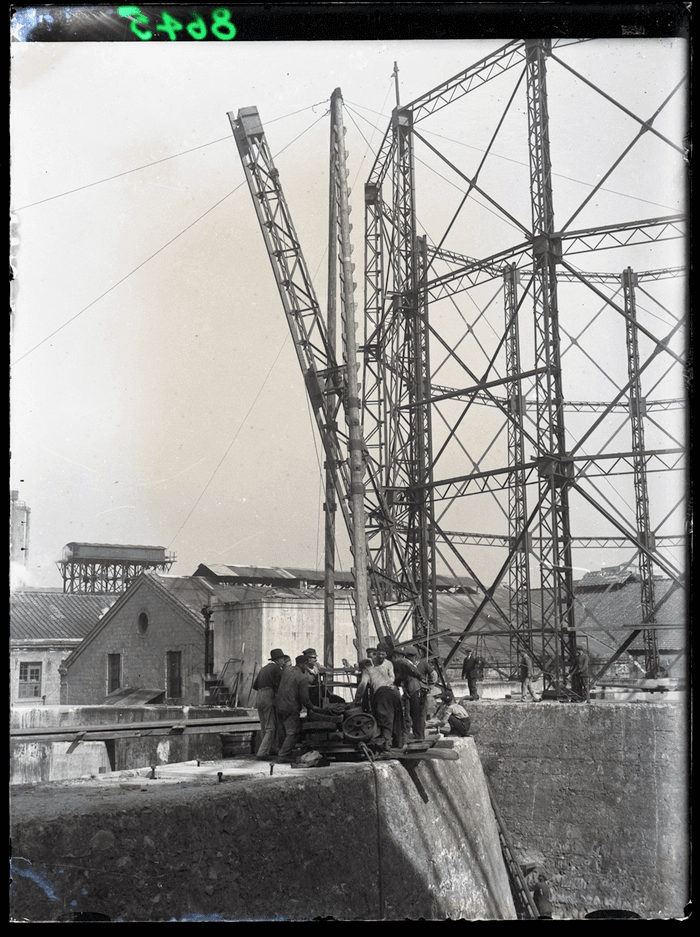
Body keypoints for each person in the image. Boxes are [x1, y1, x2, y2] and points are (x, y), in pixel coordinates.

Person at [274, 655, 330, 762]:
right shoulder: (302, 676)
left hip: (279, 705)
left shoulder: (286, 670)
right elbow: (305, 698)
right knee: (293, 732)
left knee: (282, 731)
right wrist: (314, 708)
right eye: (307, 665)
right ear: (304, 664)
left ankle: (280, 752)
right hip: (291, 707)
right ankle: (283, 756)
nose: (308, 667)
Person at [353, 658, 404, 750]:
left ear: (363, 667)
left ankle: (386, 744)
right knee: (397, 717)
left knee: (385, 717)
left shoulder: (366, 670)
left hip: (383, 693)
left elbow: (363, 684)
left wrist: (356, 699)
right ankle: (399, 743)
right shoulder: (378, 669)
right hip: (395, 691)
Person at [251, 648, 286, 759]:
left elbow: (255, 686)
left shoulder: (263, 669)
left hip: (259, 696)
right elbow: (282, 684)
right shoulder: (276, 669)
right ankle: (262, 753)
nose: (283, 661)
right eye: (282, 659)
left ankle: (269, 749)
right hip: (268, 695)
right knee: (271, 727)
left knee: (264, 726)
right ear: (278, 660)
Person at [392, 645, 430, 741]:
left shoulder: (402, 663)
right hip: (417, 688)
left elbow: (403, 676)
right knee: (417, 714)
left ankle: (410, 735)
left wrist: (395, 683)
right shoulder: (409, 663)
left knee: (411, 713)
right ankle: (419, 735)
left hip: (412, 688)